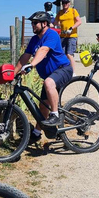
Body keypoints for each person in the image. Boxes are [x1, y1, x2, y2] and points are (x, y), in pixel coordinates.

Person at [15, 11, 74, 141]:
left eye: (35, 23)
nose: (33, 25)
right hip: (50, 75)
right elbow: (25, 56)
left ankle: (55, 115)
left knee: (48, 83)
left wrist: (32, 65)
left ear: (45, 23)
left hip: (63, 69)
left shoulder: (51, 34)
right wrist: (14, 73)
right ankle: (36, 133)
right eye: (32, 23)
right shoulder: (34, 40)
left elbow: (43, 50)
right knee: (43, 105)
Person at [54, 0, 82, 65]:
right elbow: (55, 23)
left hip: (72, 35)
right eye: (63, 3)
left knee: (69, 54)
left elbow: (79, 21)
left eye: (66, 2)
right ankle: (65, 70)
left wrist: (71, 28)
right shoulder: (60, 13)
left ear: (69, 3)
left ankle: (73, 71)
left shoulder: (73, 11)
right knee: (62, 54)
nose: (64, 4)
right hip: (63, 36)